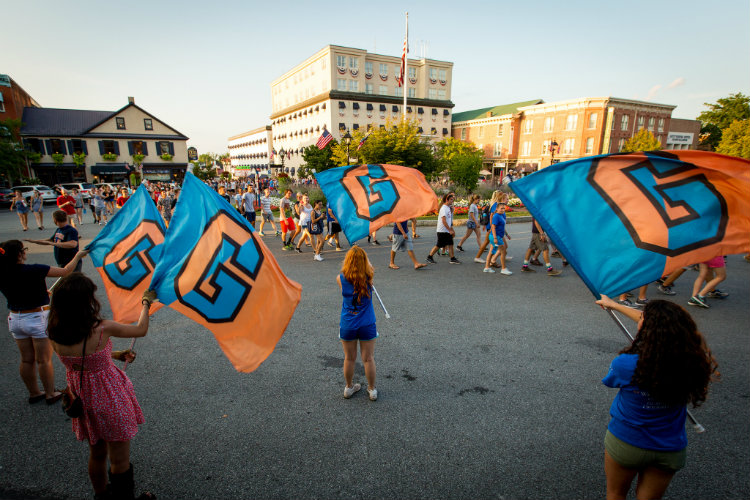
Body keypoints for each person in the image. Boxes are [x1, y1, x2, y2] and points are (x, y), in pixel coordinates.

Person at [594, 295, 718, 500]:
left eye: (642, 318)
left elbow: (610, 381)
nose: (639, 319)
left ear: (647, 328)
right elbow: (662, 325)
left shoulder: (625, 364)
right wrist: (614, 305)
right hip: (669, 447)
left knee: (615, 494)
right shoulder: (694, 360)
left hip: (627, 442)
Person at [48, 273, 156, 500]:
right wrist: (146, 303)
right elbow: (140, 329)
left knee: (96, 452)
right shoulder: (100, 328)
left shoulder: (54, 330)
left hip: (81, 396)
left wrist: (114, 355)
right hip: (108, 397)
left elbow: (79, 361)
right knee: (119, 459)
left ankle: (101, 496)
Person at [0, 240, 87, 405]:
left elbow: (19, 289)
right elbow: (66, 271)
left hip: (16, 318)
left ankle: (34, 393)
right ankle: (49, 393)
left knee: (26, 359)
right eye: (24, 249)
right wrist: (78, 255)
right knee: (44, 359)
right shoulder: (34, 269)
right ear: (20, 254)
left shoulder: (3, 272)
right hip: (36, 318)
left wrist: (40, 293)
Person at [336, 246, 378, 401]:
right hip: (367, 323)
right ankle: (372, 390)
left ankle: (348, 387)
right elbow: (370, 268)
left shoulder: (340, 278)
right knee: (368, 358)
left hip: (348, 323)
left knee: (349, 358)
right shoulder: (369, 276)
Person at [426, 193, 460, 264]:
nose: (452, 201)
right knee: (439, 245)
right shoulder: (443, 208)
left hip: (446, 230)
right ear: (446, 200)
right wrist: (449, 230)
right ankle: (429, 257)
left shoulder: (448, 208)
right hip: (442, 231)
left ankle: (452, 258)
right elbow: (444, 221)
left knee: (451, 243)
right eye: (451, 200)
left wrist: (451, 229)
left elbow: (448, 220)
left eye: (453, 200)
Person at [483, 203, 512, 275]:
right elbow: (493, 227)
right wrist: (495, 238)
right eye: (501, 208)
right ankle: (504, 269)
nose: (503, 210)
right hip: (496, 237)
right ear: (497, 209)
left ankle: (487, 267)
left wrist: (507, 234)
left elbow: (502, 227)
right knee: (503, 252)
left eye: (504, 208)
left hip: (497, 236)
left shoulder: (501, 215)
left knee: (492, 252)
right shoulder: (496, 216)